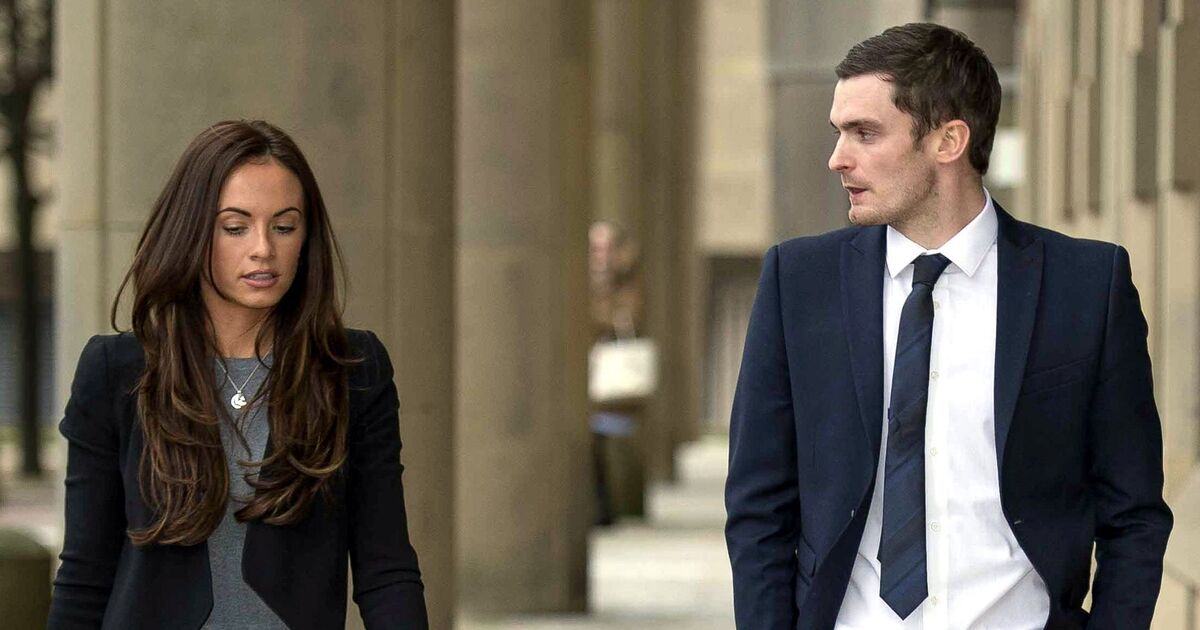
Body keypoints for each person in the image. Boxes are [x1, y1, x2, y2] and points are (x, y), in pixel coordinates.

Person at [724, 23, 1172, 630]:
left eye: (865, 133)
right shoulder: (798, 282)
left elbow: (1134, 512)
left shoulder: (1088, 285)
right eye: (838, 132)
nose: (837, 158)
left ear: (948, 140)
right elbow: (758, 506)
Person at [48, 120, 428, 629]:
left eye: (284, 227)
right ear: (192, 231)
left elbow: (387, 570)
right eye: (235, 227)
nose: (263, 248)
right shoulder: (117, 372)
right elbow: (84, 578)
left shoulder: (351, 369)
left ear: (306, 238)